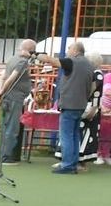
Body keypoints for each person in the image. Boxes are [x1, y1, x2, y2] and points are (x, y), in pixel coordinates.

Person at [33, 40, 95, 174]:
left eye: (69, 49)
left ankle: (67, 165)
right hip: (81, 104)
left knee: (66, 135)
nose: (67, 51)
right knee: (74, 135)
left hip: (69, 103)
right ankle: (73, 163)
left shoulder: (71, 61)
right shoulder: (89, 65)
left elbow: (53, 61)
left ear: (75, 51)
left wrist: (36, 55)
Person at [0, 38, 36, 164]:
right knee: (12, 127)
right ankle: (6, 156)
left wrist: (1, 91)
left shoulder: (12, 59)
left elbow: (3, 76)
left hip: (8, 96)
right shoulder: (22, 62)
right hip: (15, 97)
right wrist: (1, 92)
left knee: (6, 125)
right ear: (31, 51)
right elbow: (11, 78)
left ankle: (2, 154)